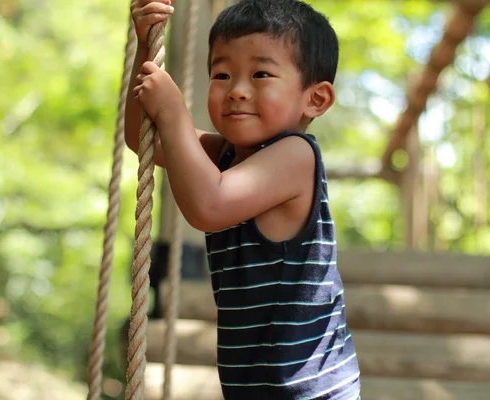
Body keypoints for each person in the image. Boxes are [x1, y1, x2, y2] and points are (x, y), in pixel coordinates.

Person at [126, 0, 361, 398]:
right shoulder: (228, 155)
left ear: (315, 99)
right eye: (222, 74)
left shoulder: (296, 156)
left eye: (261, 74)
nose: (236, 90)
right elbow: (142, 138)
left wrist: (174, 110)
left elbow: (209, 205)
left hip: (311, 392)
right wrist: (147, 48)